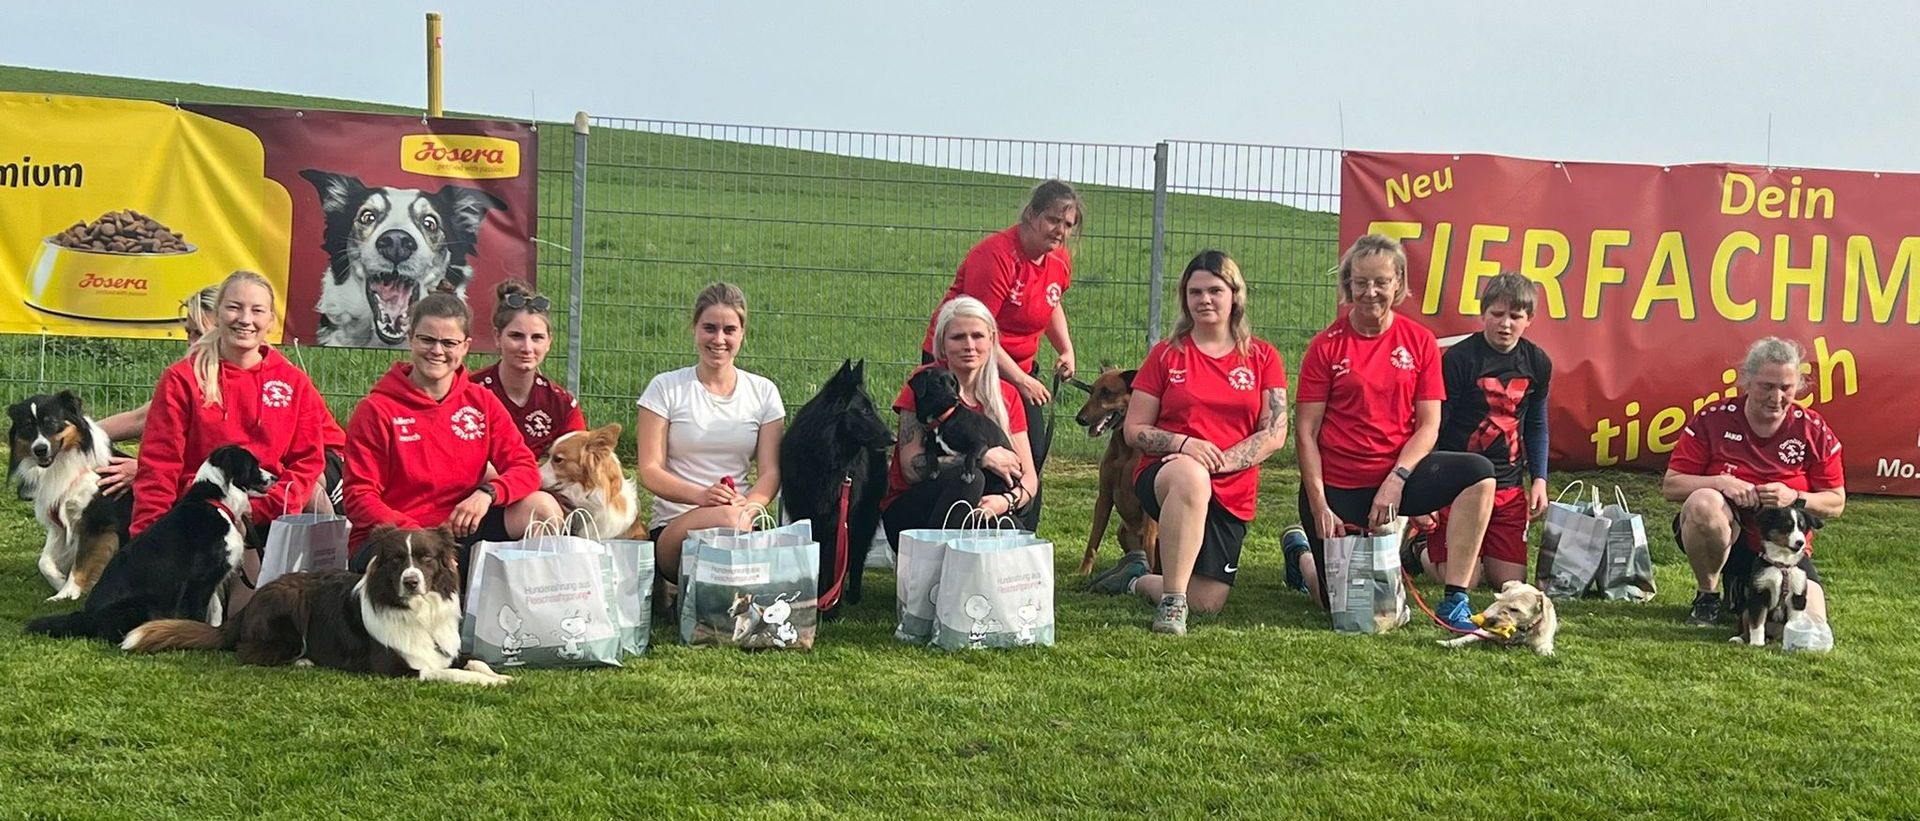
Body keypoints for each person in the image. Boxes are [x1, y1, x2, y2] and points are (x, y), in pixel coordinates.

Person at [1288, 234, 1498, 632]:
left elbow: (1429, 426)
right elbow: (1305, 433)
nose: (1370, 292)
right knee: (1337, 606)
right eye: (1360, 282)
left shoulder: (1418, 342)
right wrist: (1319, 504)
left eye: (1381, 282)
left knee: (1479, 472)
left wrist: (1397, 481)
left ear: (1399, 283)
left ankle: (1456, 598)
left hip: (1398, 478)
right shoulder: (1325, 347)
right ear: (1347, 284)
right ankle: (1300, 553)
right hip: (1340, 484)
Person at [1085, 251, 1288, 636]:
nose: (1205, 299)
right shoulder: (1165, 355)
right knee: (1190, 475)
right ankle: (1174, 603)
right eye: (1195, 292)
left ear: (1235, 295)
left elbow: (1275, 432)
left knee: (1208, 603)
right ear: (1185, 298)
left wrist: (1224, 460)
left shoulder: (1263, 357)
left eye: (1215, 290)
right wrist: (1184, 444)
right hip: (1167, 473)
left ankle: (1136, 576)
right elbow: (1135, 429)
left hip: (1231, 487)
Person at [342, 293, 562, 570]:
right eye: (427, 340)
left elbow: (525, 468)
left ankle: (533, 602)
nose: (437, 351)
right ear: (410, 338)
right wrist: (421, 539)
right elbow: (360, 498)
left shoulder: (480, 401)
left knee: (542, 508)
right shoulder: (376, 409)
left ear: (466, 346)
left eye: (449, 343)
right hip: (395, 539)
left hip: (462, 527)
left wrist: (487, 494)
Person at [98, 284, 348, 514]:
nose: (192, 342)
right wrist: (88, 434)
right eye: (189, 333)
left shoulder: (283, 376)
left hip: (327, 458)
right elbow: (154, 431)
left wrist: (138, 467)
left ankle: (331, 546)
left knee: (306, 489)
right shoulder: (187, 375)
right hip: (248, 475)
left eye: (199, 333)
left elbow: (298, 459)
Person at [919, 179, 1081, 528]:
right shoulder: (995, 256)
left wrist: (1065, 348)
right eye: (1053, 219)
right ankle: (941, 529)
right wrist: (1022, 381)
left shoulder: (1057, 261)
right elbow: (980, 334)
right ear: (1030, 214)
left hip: (1017, 368)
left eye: (1068, 225)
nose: (1061, 231)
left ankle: (1019, 535)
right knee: (965, 450)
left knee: (1029, 457)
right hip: (961, 363)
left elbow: (1052, 301)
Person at [1663, 337, 1845, 628]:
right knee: (1704, 502)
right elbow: (1671, 486)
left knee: (1810, 625)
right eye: (1767, 387)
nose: (1777, 397)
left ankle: (1744, 589)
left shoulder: (1812, 428)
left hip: (1784, 549)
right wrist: (1722, 482)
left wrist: (1794, 496)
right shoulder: (1713, 418)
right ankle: (1707, 595)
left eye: (1786, 388)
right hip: (1730, 537)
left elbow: (1836, 503)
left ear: (1798, 385)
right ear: (1746, 381)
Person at [637, 282, 785, 598]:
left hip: (741, 522)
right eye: (709, 328)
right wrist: (702, 496)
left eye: (729, 329)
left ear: (742, 334)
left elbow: (770, 471)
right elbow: (649, 470)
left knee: (733, 519)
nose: (719, 339)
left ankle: (714, 598)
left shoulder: (764, 392)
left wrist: (750, 506)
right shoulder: (664, 388)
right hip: (675, 528)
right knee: (728, 518)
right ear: (694, 329)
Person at [1409, 272, 1553, 589]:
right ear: (1483, 314)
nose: (1505, 324)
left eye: (1515, 316)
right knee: (1463, 580)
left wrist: (1540, 479)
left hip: (1508, 486)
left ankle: (1480, 548)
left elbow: (1537, 424)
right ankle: (1418, 549)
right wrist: (1426, 490)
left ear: (1529, 319)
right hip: (1458, 484)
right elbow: (1435, 424)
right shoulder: (1460, 359)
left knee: (1511, 583)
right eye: (1497, 314)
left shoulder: (1537, 362)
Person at [883, 296, 1040, 545]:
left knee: (1010, 530)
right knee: (971, 479)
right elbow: (911, 469)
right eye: (958, 337)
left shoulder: (1007, 394)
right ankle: (935, 570)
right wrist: (981, 458)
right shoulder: (925, 384)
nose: (969, 345)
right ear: (942, 345)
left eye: (977, 336)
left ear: (992, 341)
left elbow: (1029, 478)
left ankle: (964, 571)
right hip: (914, 516)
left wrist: (1004, 502)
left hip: (980, 506)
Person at [470, 279, 585, 459]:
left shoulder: (562, 405)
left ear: (549, 342)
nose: (527, 347)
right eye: (516, 336)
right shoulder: (468, 392)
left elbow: (578, 467)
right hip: (482, 486)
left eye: (537, 337)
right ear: (497, 337)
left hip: (540, 486)